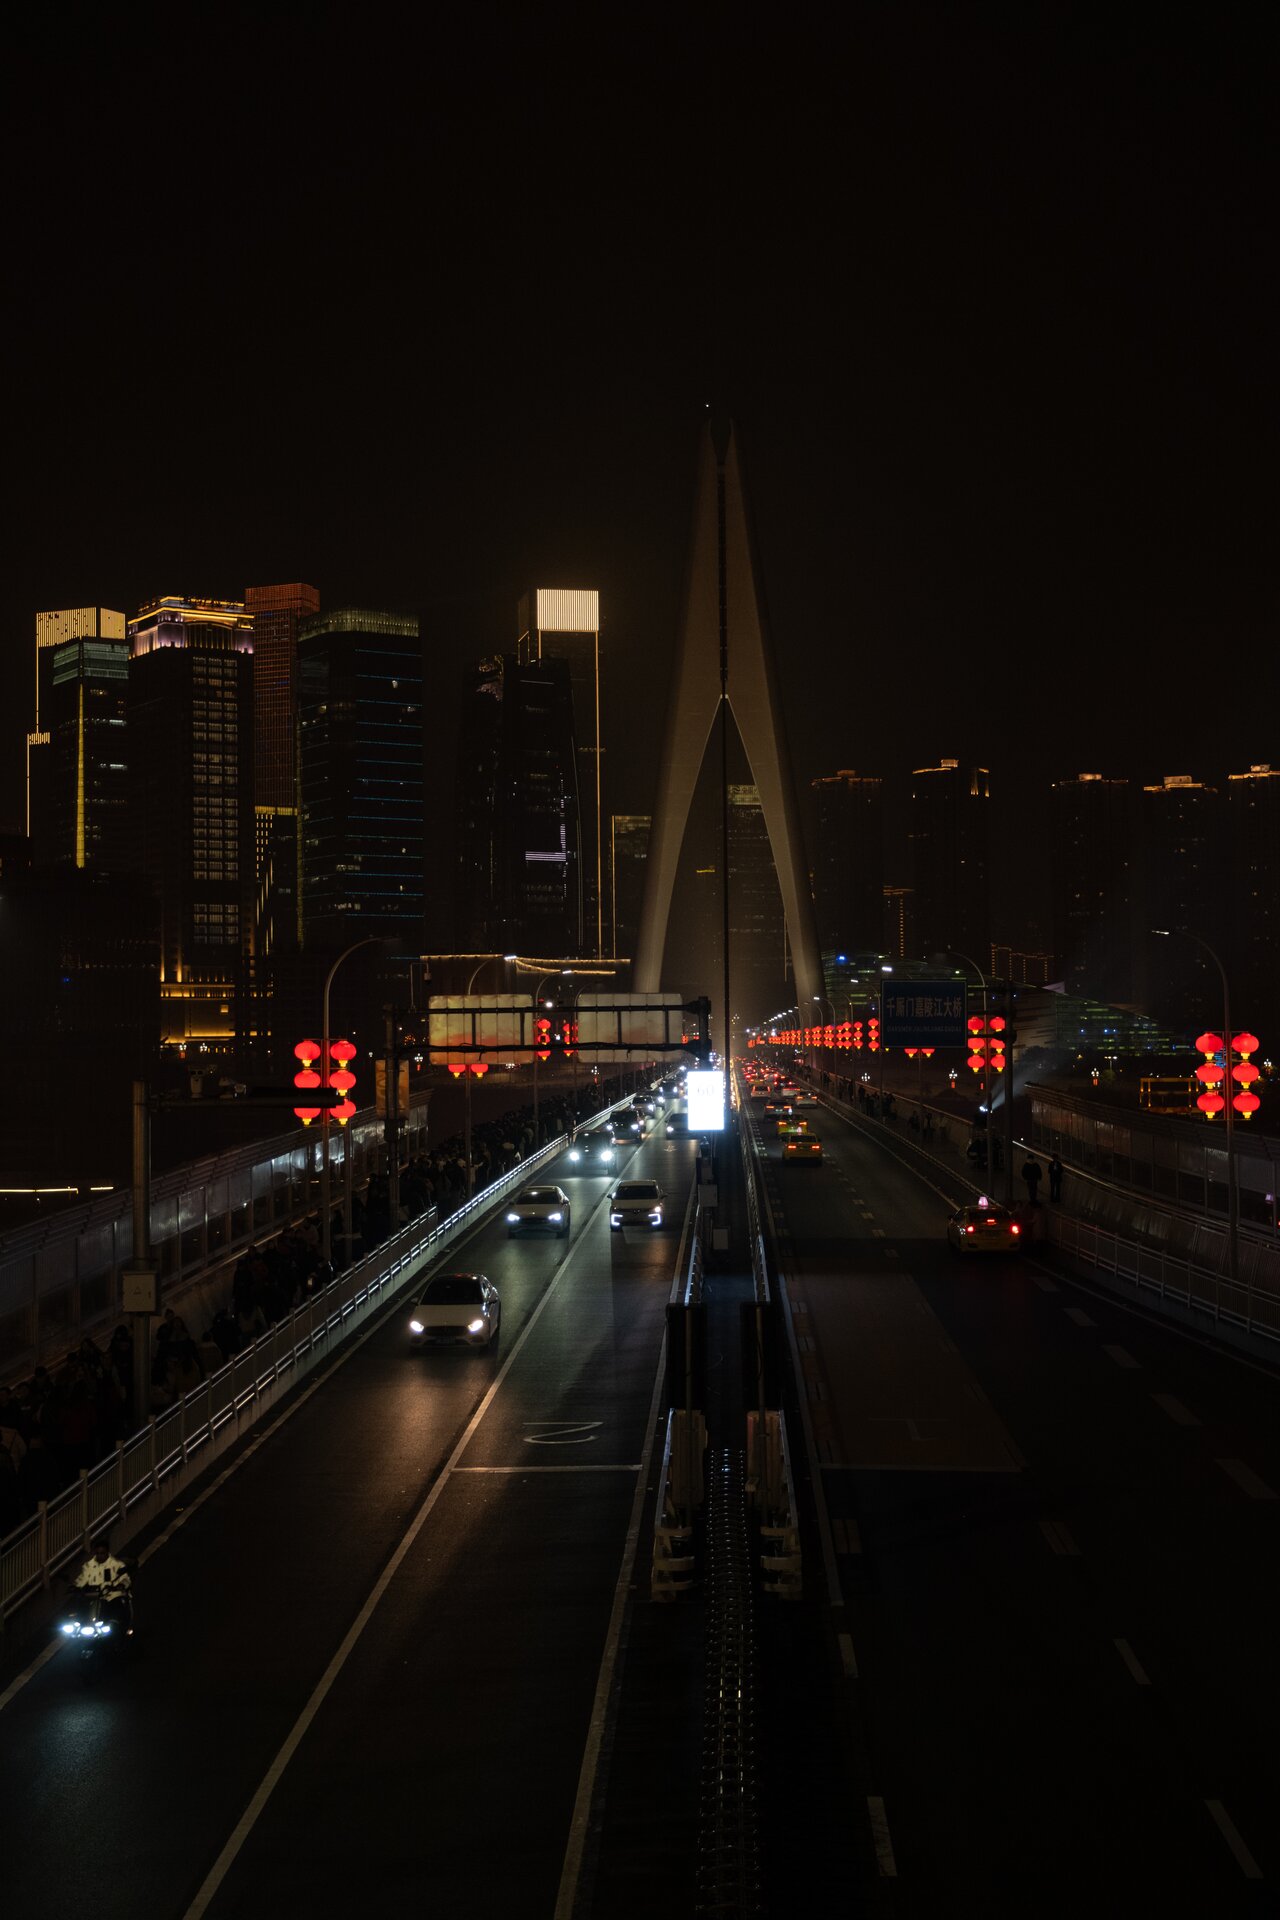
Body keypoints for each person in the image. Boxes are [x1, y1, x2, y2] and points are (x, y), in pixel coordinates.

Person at [73, 1538, 134, 1631]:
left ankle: (118, 1629)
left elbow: (125, 1579)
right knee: (79, 1605)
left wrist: (120, 1585)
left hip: (112, 1597)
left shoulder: (116, 1565)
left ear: (107, 1553)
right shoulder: (89, 1566)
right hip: (94, 1597)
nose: (100, 1556)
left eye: (102, 1553)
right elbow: (82, 1579)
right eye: (97, 1553)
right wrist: (75, 1586)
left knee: (116, 1611)